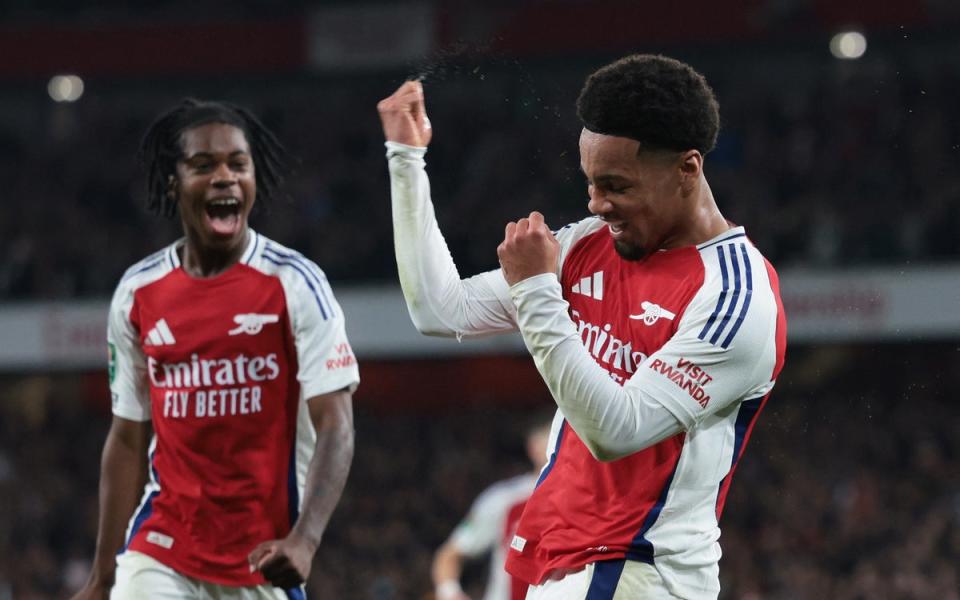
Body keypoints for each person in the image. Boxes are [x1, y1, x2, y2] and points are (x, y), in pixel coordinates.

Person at [378, 54, 786, 599]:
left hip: (638, 571)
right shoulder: (589, 245)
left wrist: (536, 293)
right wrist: (406, 159)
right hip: (565, 565)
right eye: (591, 183)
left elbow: (614, 432)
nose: (597, 203)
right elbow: (439, 308)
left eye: (617, 184)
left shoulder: (737, 298)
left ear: (687, 169)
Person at [72, 99, 359, 600]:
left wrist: (306, 540)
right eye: (204, 165)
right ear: (173, 183)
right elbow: (127, 437)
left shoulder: (295, 285)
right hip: (162, 546)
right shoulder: (138, 292)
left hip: (263, 558)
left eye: (237, 164)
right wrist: (102, 574)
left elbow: (336, 423)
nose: (224, 177)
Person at [432, 420, 551, 600]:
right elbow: (449, 555)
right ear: (533, 447)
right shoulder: (503, 499)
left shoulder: (590, 498)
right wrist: (450, 592)